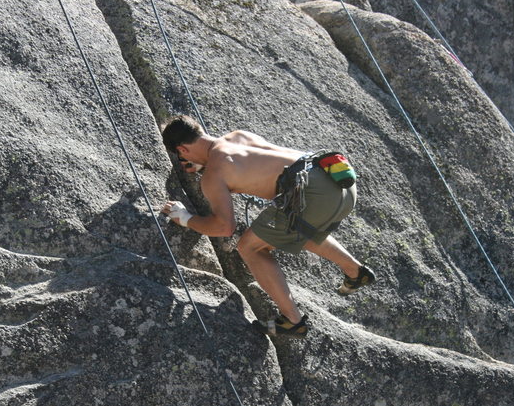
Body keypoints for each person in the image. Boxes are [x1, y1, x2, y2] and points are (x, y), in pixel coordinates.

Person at [160, 115, 374, 338]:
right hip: (338, 181)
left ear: (183, 150)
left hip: (312, 194)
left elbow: (224, 227)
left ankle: (293, 321)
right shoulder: (237, 135)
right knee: (295, 230)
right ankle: (355, 271)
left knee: (250, 247)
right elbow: (256, 168)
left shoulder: (213, 174)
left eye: (180, 156)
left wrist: (185, 218)